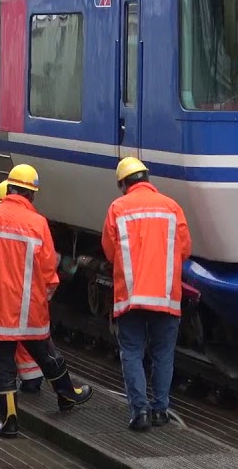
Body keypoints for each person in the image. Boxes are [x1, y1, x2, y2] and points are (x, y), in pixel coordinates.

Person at [0, 164, 92, 437]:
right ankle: (67, 394)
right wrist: (44, 299)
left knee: (2, 363)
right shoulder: (37, 223)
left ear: (8, 189)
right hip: (26, 308)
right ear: (31, 195)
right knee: (45, 353)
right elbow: (48, 272)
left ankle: (9, 420)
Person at [102, 157, 191, 431]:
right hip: (165, 297)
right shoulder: (172, 207)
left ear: (123, 184)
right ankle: (160, 411)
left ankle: (139, 413)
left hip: (131, 297)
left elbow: (108, 250)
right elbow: (185, 249)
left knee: (131, 351)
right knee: (163, 354)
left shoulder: (118, 208)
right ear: (147, 179)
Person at [0, 180, 43, 394]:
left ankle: (2, 387)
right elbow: (45, 265)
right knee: (27, 340)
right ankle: (38, 380)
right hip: (21, 297)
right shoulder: (33, 222)